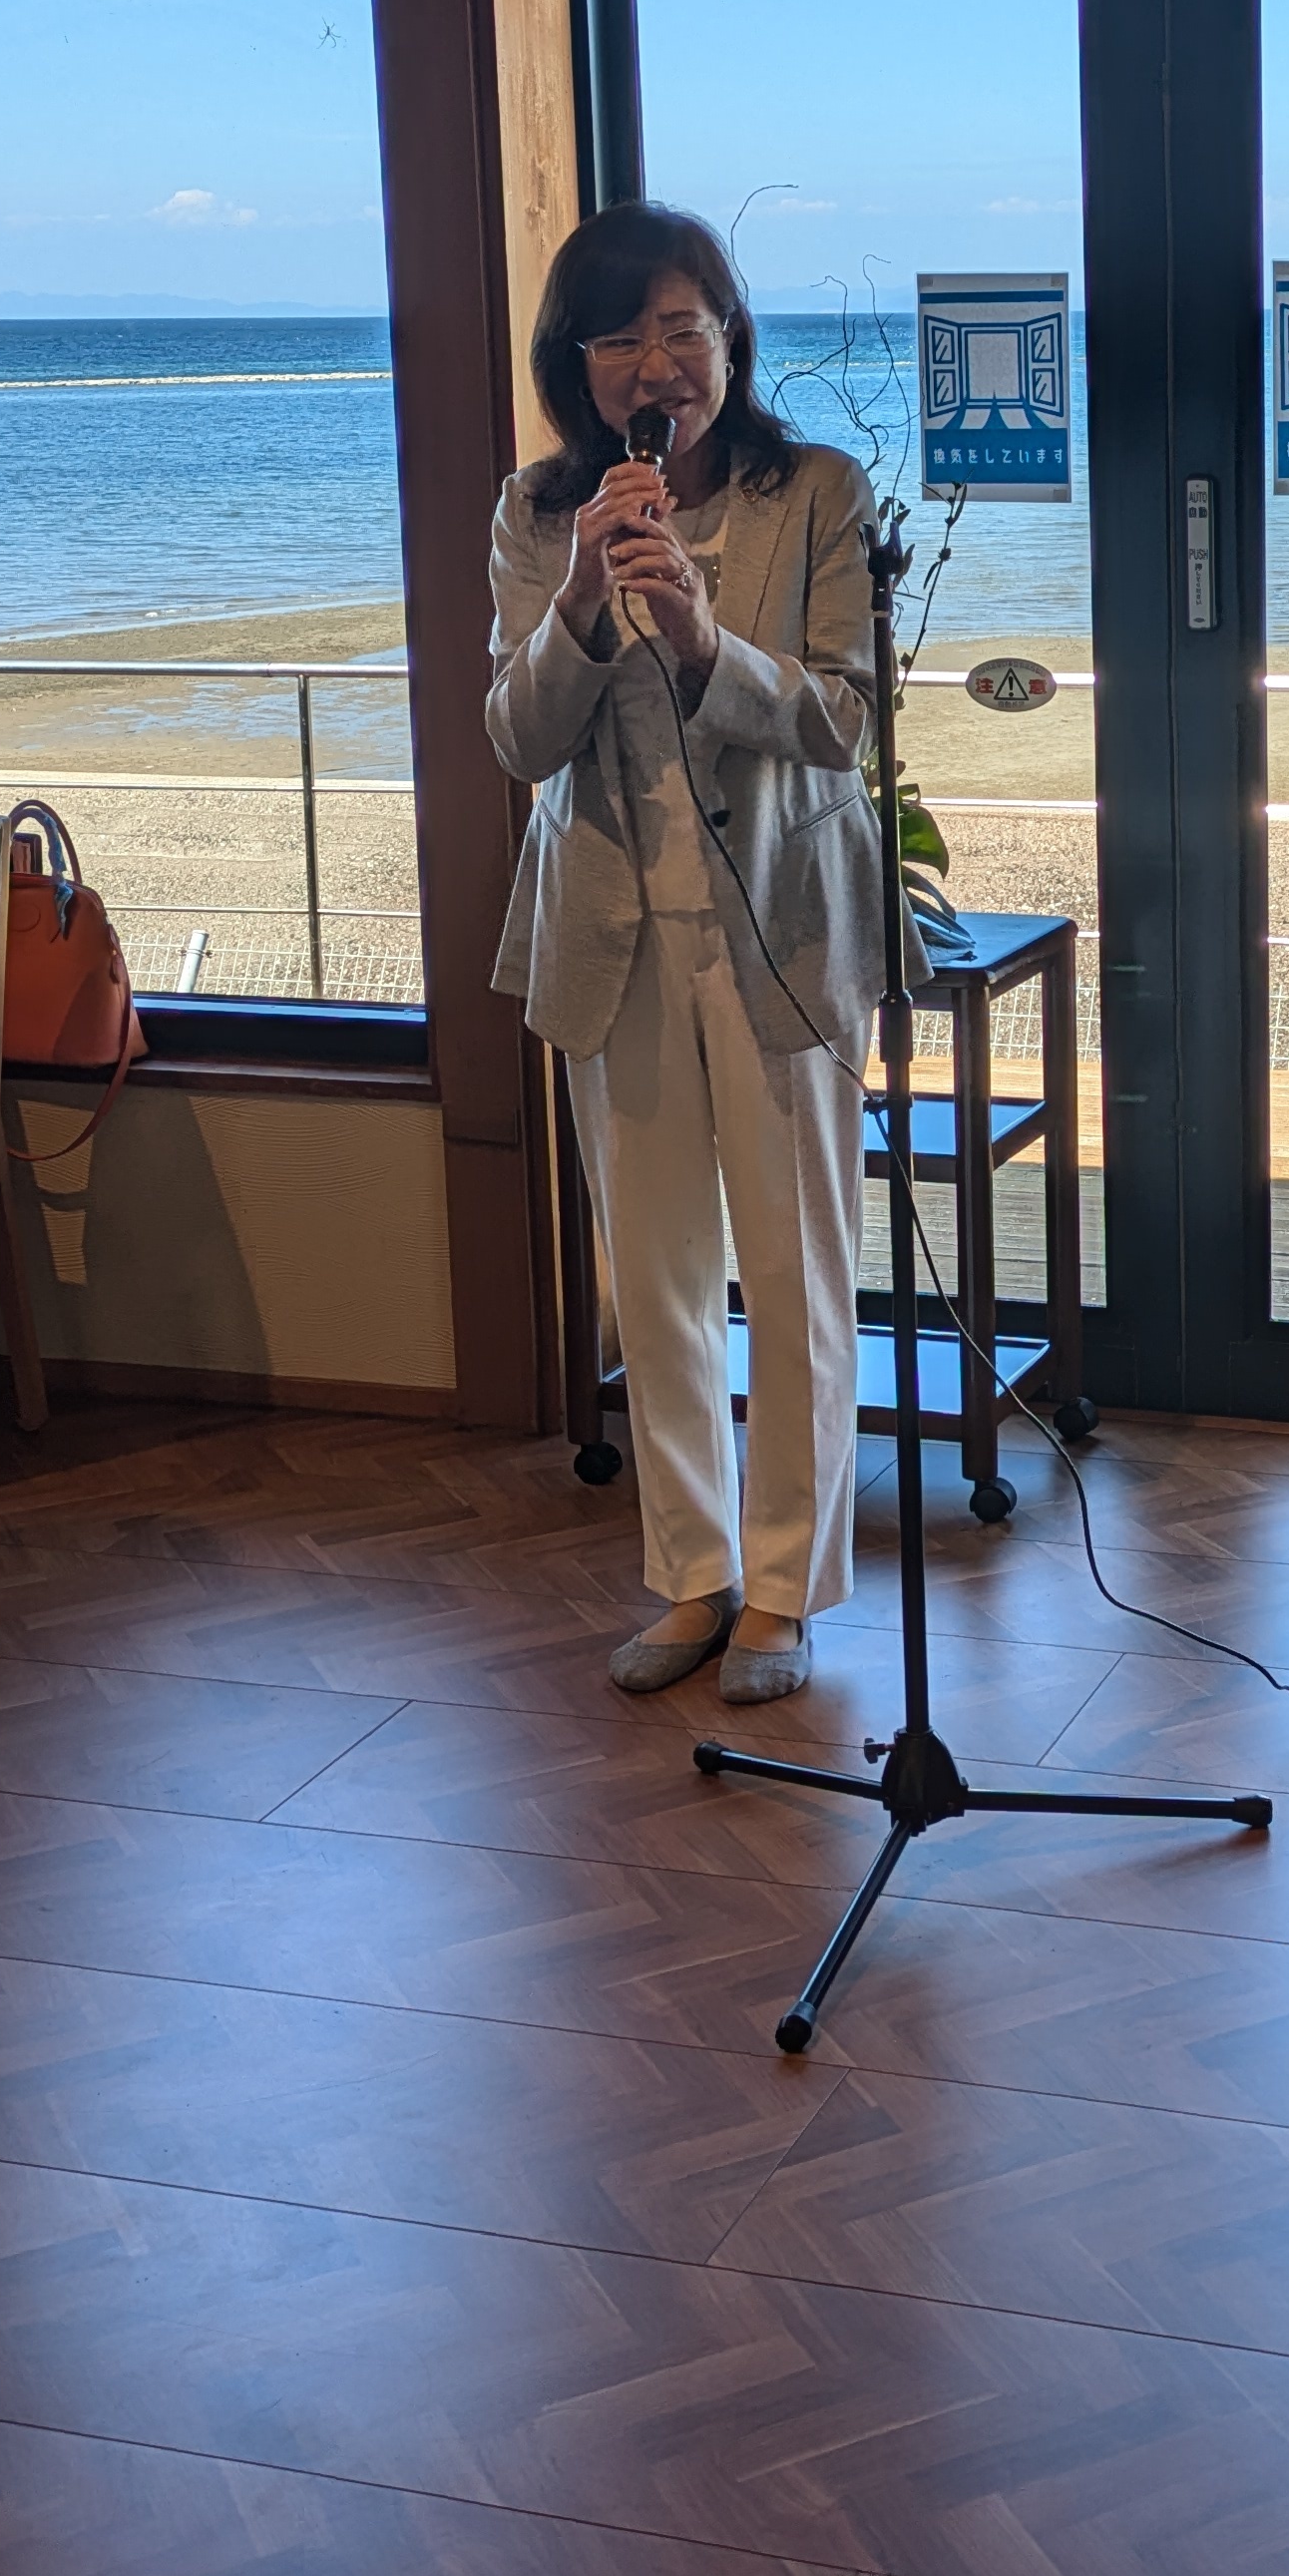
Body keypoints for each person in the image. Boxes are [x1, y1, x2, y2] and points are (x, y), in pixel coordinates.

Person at [488, 203, 900, 1709]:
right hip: (612, 933)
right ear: (576, 366)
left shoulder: (818, 491)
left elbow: (846, 720)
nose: (655, 364)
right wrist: (585, 602)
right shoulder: (539, 514)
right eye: (619, 338)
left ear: (730, 342)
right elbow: (517, 738)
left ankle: (784, 1590)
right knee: (654, 1275)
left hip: (782, 929)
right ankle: (692, 1573)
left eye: (682, 329)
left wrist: (706, 643)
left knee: (793, 1270)